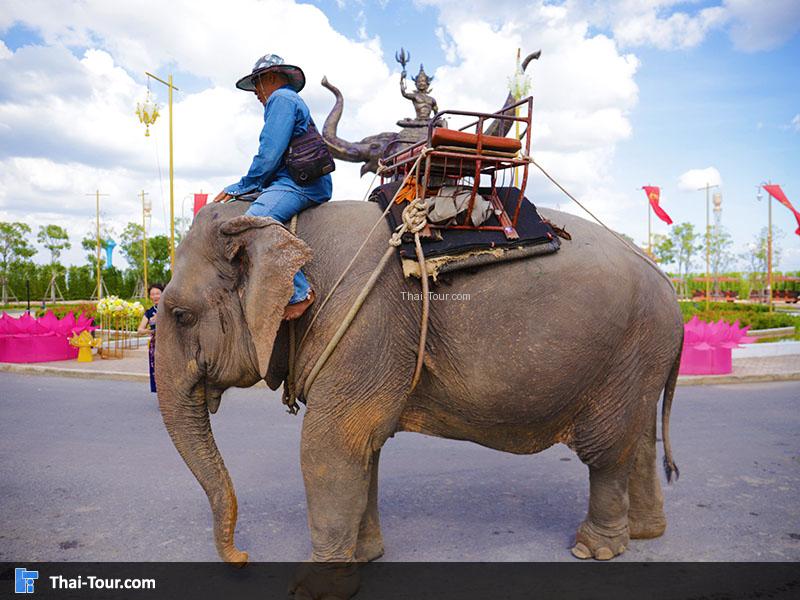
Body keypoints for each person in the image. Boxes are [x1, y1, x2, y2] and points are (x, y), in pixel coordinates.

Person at [214, 53, 332, 320]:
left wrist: (242, 185)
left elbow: (269, 153)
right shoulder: (288, 100)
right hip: (290, 180)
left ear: (271, 78)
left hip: (300, 184)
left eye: (257, 83)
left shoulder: (281, 99)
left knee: (251, 224)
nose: (256, 91)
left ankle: (299, 292)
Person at [137, 283, 163, 393]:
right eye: (153, 294)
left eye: (158, 293)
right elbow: (140, 330)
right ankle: (162, 396)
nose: (155, 296)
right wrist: (151, 331)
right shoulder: (149, 312)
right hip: (156, 344)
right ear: (150, 296)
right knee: (157, 370)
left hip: (171, 343)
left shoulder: (170, 309)